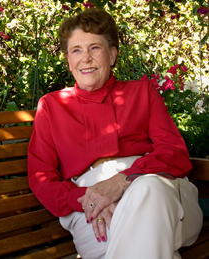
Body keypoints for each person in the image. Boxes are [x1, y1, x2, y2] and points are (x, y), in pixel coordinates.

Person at [27, 8, 203, 259]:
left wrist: (123, 182)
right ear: (68, 59)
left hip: (163, 190)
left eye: (95, 48)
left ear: (112, 55)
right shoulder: (52, 106)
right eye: (77, 50)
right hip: (89, 207)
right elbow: (41, 177)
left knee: (149, 189)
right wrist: (91, 197)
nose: (85, 58)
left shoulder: (142, 92)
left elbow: (175, 153)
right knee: (148, 242)